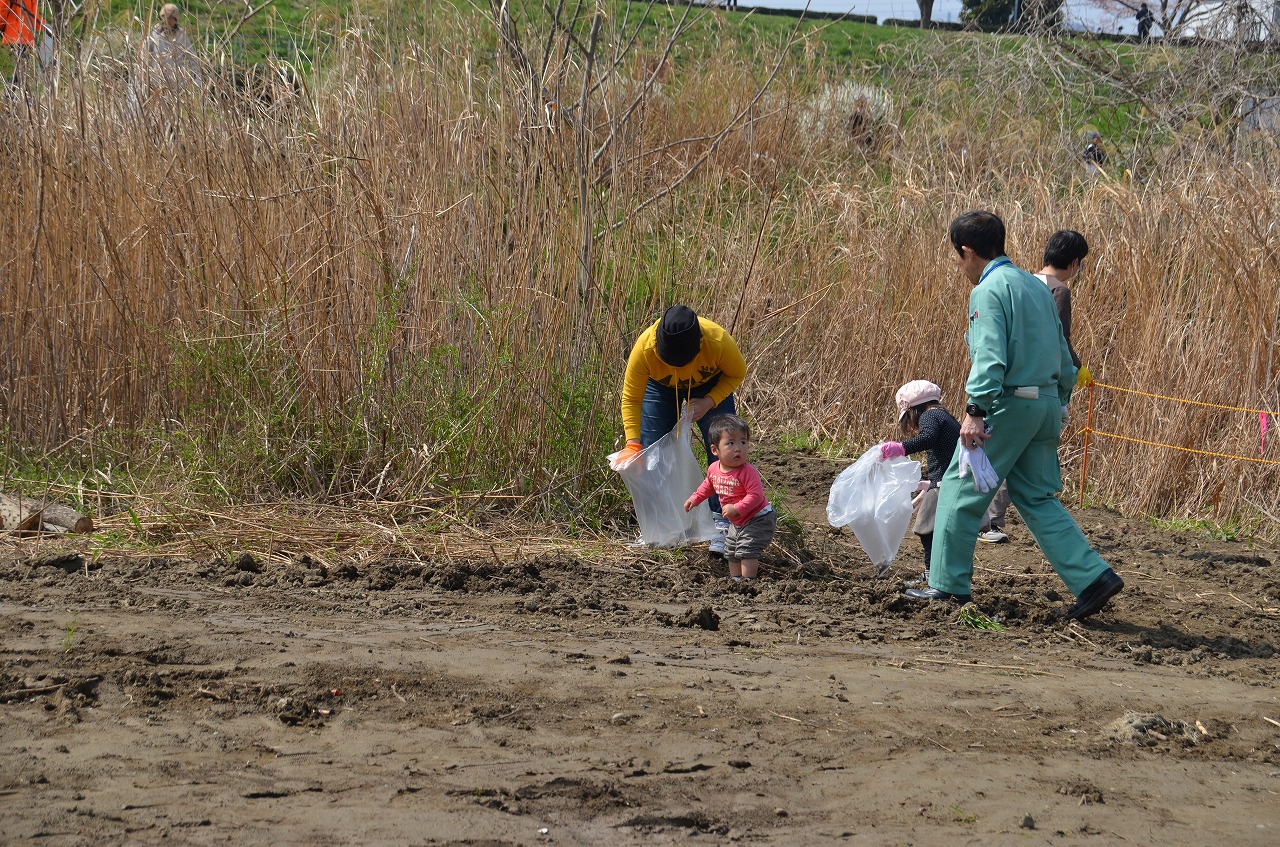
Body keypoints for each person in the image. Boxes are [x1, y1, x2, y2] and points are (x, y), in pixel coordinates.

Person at [905, 211, 1123, 622]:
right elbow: (1063, 355)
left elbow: (989, 357)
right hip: (1044, 406)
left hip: (1009, 405)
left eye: (957, 256)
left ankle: (948, 586)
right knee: (1036, 496)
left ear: (967, 251)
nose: (959, 264)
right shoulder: (1036, 286)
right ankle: (1093, 577)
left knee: (957, 488)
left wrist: (974, 411)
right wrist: (1058, 400)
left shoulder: (988, 291)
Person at [979, 229, 1093, 544]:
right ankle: (996, 522)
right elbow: (1057, 340)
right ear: (1074, 263)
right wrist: (1078, 369)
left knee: (1003, 454)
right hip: (1042, 388)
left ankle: (990, 520)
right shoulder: (1059, 291)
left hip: (1007, 384)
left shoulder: (1020, 281)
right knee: (1029, 461)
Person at [618, 305, 747, 555]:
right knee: (651, 453)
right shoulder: (644, 349)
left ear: (699, 344)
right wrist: (633, 443)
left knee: (726, 448)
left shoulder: (717, 340)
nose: (677, 366)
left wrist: (709, 401)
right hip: (660, 389)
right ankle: (662, 526)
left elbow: (737, 372)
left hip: (709, 386)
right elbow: (631, 398)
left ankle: (722, 520)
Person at [879, 380, 961, 587]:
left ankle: (932, 577)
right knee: (940, 533)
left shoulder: (930, 415)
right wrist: (929, 482)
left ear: (912, 409)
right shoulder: (946, 416)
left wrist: (900, 448)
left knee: (927, 530)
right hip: (947, 481)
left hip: (945, 483)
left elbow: (928, 438)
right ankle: (937, 576)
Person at [684, 414, 775, 582]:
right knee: (731, 550)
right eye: (731, 443)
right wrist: (695, 498)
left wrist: (737, 508)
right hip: (737, 520)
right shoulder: (714, 469)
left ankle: (748, 581)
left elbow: (755, 496)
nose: (738, 448)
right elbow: (708, 486)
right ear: (714, 450)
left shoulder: (748, 472)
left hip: (758, 518)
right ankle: (735, 580)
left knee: (746, 549)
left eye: (743, 442)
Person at [140, 4, 201, 91]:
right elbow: (144, 53)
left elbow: (192, 57)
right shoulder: (154, 32)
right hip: (157, 78)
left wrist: (196, 78)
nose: (169, 20)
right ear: (162, 17)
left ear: (176, 20)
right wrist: (144, 74)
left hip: (176, 81)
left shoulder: (181, 35)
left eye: (172, 18)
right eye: (166, 17)